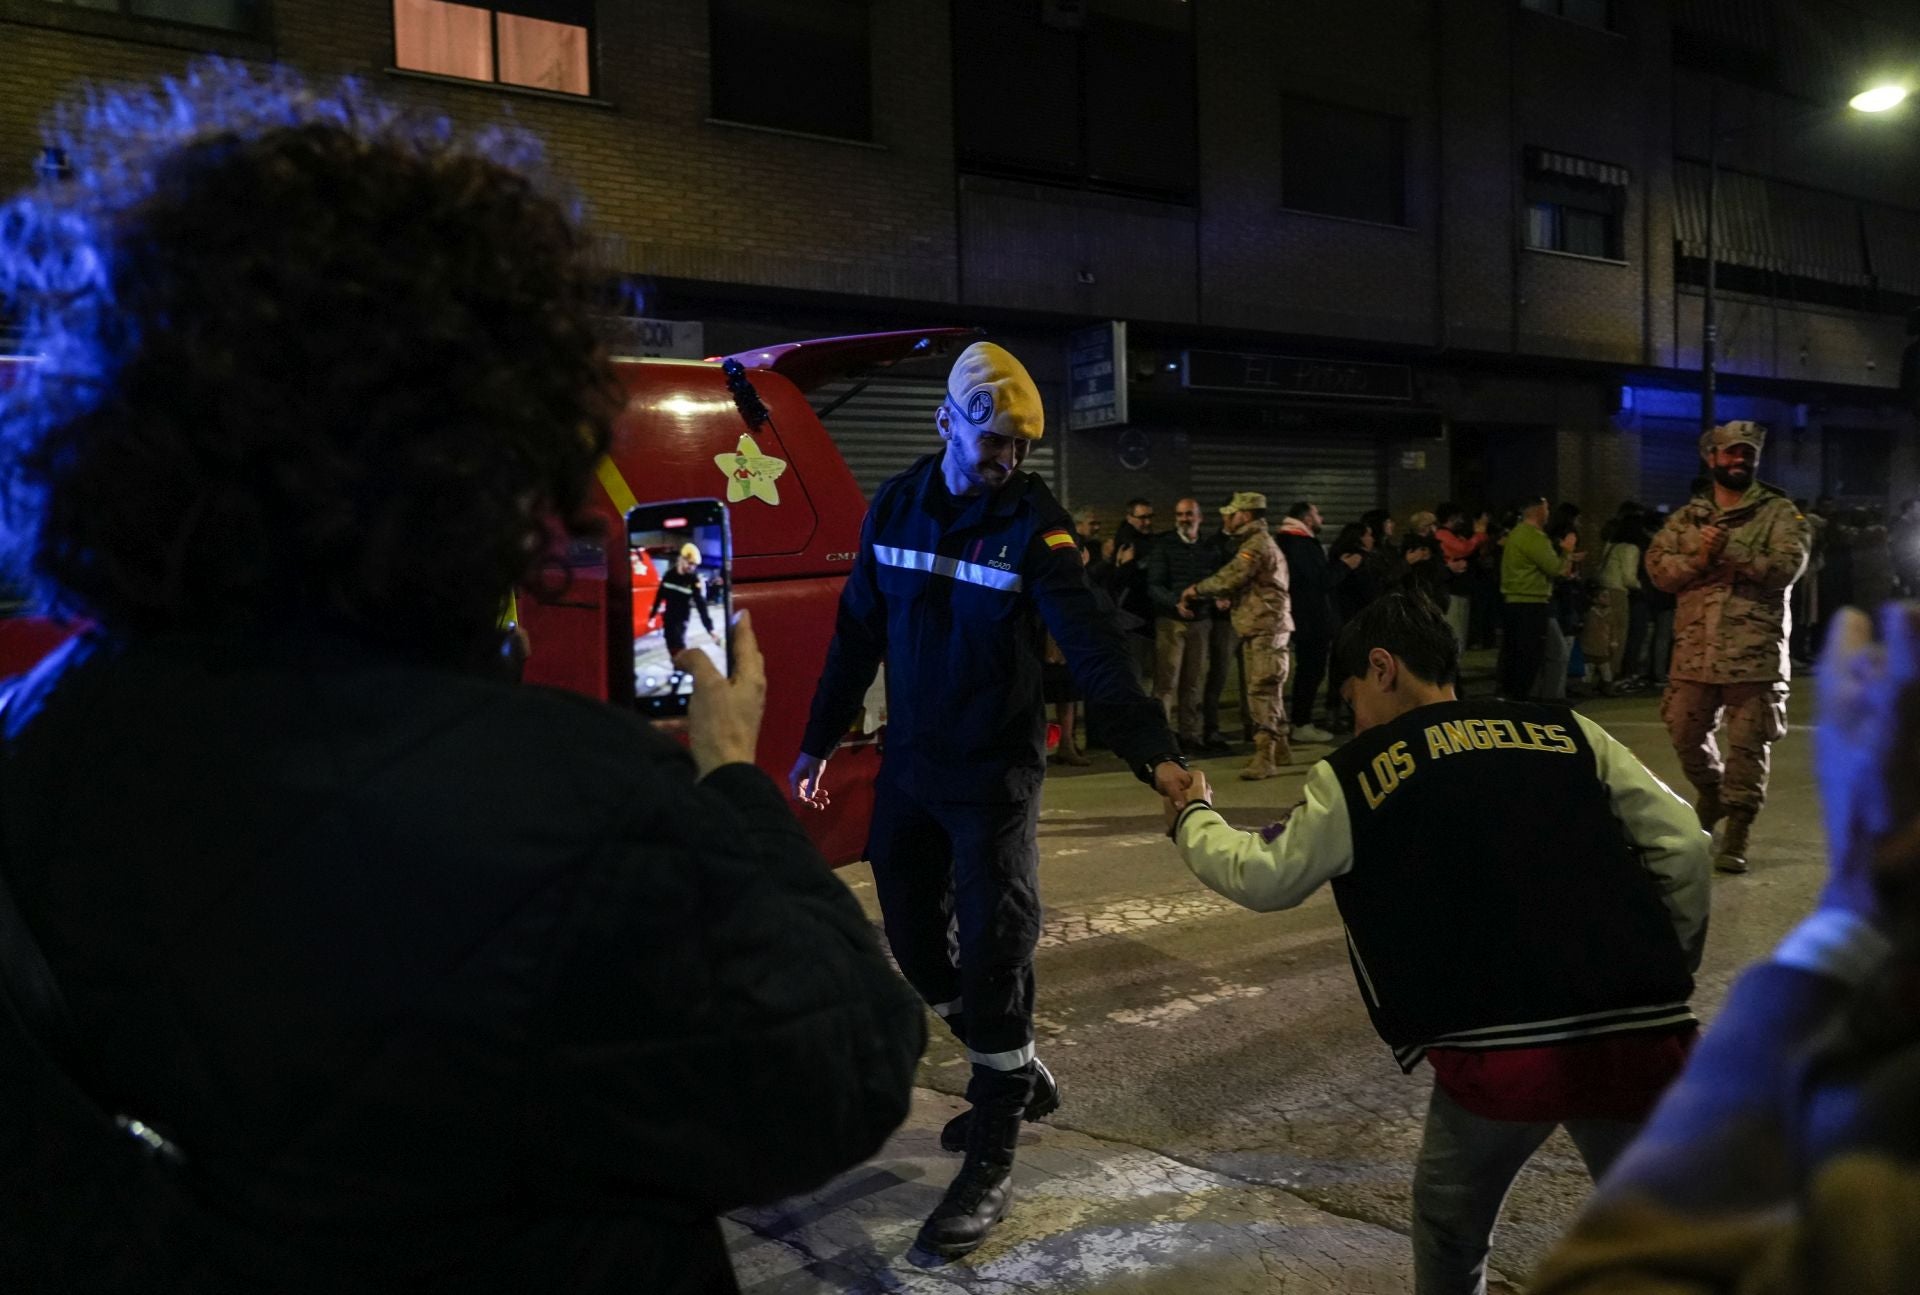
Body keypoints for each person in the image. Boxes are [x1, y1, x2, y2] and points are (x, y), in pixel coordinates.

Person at [0, 62, 925, 1294]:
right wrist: (729, 772)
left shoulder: (36, 759)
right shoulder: (584, 805)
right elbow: (842, 1062)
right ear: (490, 433)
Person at [1164, 593, 1708, 1295]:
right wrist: (1663, 968)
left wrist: (1192, 818)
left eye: (1353, 694)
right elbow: (1685, 846)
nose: (1354, 716)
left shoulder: (1357, 773)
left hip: (1497, 1058)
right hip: (1634, 1036)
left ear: (1382, 668)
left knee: (1451, 1225)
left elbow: (1264, 875)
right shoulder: (1565, 728)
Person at [789, 340, 1190, 1257]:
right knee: (919, 944)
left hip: (995, 780)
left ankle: (995, 1137)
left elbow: (1090, 648)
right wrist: (816, 741)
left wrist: (1154, 756)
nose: (1007, 462)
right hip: (913, 769)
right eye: (995, 442)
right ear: (947, 423)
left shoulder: (1034, 524)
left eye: (1020, 448)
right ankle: (1015, 1073)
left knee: (996, 945)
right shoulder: (893, 505)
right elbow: (855, 636)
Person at [1531, 605, 1920, 1295]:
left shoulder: (1878, 1190)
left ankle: (1736, 819)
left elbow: (1622, 1274)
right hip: (1700, 661)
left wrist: (1856, 898)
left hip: (1748, 663)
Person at [1646, 420, 1810, 874]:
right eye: (1730, 453)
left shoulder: (1780, 513)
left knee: (1747, 746)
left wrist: (1729, 550)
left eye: (1747, 453)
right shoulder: (1687, 519)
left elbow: (1787, 567)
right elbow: (1658, 571)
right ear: (1711, 458)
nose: (1739, 460)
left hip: (1753, 653)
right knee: (1683, 732)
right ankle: (1713, 794)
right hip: (1695, 652)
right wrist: (1698, 558)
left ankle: (1738, 826)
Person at [1184, 491, 1293, 778]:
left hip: (1265, 627)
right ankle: (1280, 747)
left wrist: (1196, 590)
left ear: (1244, 515)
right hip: (1262, 625)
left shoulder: (1256, 545)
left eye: (1230, 514)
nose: (1226, 519)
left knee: (1262, 689)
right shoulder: (1257, 542)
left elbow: (1231, 576)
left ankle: (1265, 756)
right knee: (1268, 687)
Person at [1146, 497, 1217, 754]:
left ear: (1200, 517)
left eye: (1189, 514)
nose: (1184, 519)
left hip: (1201, 623)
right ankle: (1162, 739)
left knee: (1193, 682)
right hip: (1171, 623)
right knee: (1166, 683)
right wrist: (1176, 603)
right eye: (1180, 515)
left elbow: (1216, 579)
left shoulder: (1208, 547)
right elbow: (1154, 584)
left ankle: (1191, 735)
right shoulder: (1164, 545)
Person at [1499, 497, 1578, 702]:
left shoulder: (1516, 534)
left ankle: (1524, 697)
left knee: (1520, 652)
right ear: (1538, 511)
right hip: (1531, 602)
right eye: (1547, 507)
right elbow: (1556, 568)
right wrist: (1567, 550)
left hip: (1515, 601)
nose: (1549, 512)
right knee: (1530, 655)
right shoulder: (1534, 537)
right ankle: (1529, 700)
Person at [1277, 501, 1336, 743]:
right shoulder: (1299, 543)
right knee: (1310, 670)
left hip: (1302, 617)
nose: (1321, 518)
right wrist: (1343, 566)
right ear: (1307, 518)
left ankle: (1297, 721)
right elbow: (1318, 580)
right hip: (1309, 619)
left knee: (1306, 670)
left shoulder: (1289, 541)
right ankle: (1301, 722)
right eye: (1317, 513)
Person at [1581, 520, 1641, 694]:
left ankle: (1594, 678)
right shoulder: (1631, 549)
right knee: (1616, 638)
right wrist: (1640, 586)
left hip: (1604, 587)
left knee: (1600, 636)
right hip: (1618, 592)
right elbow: (1628, 578)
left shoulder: (1612, 546)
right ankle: (1610, 677)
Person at [1435, 505, 1492, 651]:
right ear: (1451, 518)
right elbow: (1462, 549)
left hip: (1461, 589)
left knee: (1460, 631)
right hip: (1453, 590)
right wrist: (1480, 534)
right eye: (1459, 517)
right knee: (1455, 630)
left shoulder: (1454, 534)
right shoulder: (1442, 534)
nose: (1462, 521)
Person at [648, 541, 714, 658]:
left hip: (681, 619)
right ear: (682, 559)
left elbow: (701, 604)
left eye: (694, 565)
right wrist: (652, 616)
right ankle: (677, 667)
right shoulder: (669, 575)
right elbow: (660, 595)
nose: (692, 567)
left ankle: (682, 668)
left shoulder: (693, 580)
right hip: (668, 617)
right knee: (670, 644)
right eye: (690, 563)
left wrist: (709, 628)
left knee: (679, 645)